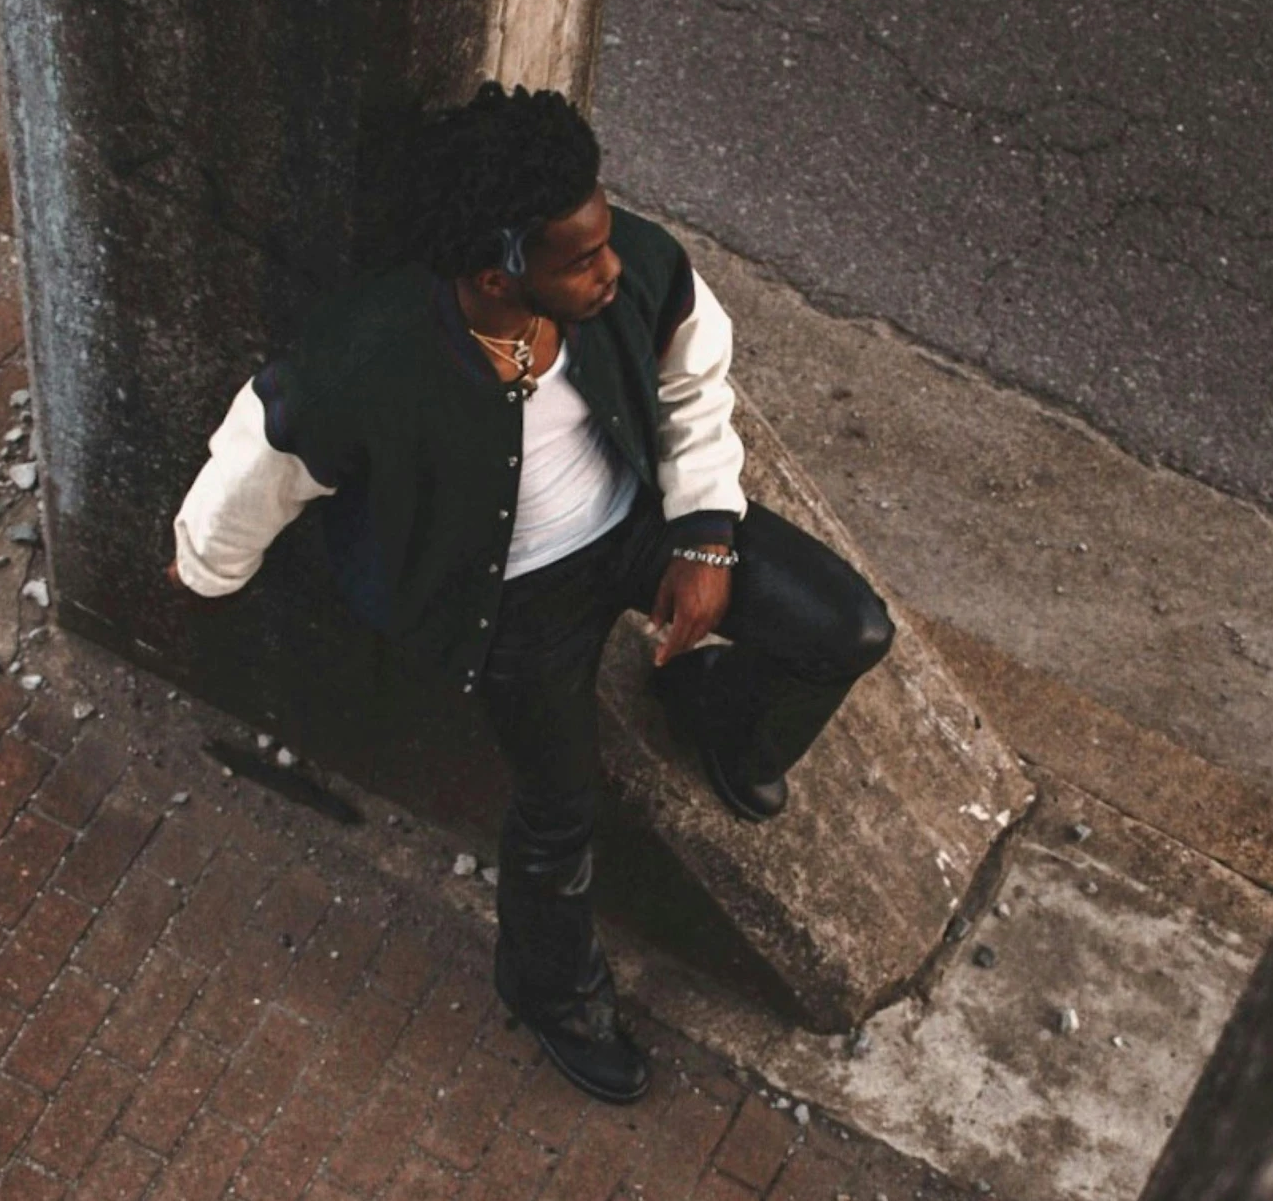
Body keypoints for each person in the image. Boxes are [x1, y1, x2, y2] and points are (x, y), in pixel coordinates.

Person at [170, 81, 894, 1104]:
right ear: (497, 271)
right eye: (581, 256)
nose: (611, 264)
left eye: (604, 237)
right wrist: (207, 564)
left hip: (640, 524)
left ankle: (721, 708)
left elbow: (694, 377)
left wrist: (706, 534)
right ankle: (549, 985)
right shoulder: (368, 354)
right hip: (508, 602)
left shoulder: (634, 266)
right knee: (559, 813)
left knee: (848, 627)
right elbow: (263, 456)